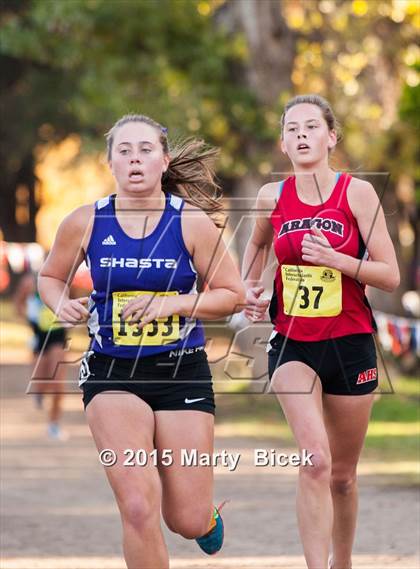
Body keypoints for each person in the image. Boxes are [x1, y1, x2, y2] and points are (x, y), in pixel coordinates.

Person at [38, 114, 245, 569]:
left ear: (164, 160)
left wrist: (171, 304)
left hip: (180, 371)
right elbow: (51, 276)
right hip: (112, 372)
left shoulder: (190, 224)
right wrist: (60, 303)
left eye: (146, 150)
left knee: (186, 520)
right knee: (136, 506)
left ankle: (204, 517)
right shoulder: (85, 221)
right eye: (125, 150)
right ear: (110, 162)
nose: (135, 159)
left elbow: (231, 296)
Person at [242, 94, 399, 569]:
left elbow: (389, 274)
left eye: (312, 126)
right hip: (293, 346)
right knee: (314, 461)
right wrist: (249, 289)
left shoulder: (357, 194)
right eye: (292, 128)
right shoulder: (272, 197)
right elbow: (254, 247)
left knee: (343, 476)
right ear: (283, 142)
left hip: (350, 344)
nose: (302, 135)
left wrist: (340, 262)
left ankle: (342, 562)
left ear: (331, 137)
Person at [14, 268, 67, 439]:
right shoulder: (28, 283)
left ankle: (54, 424)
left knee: (58, 385)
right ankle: (39, 392)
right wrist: (29, 317)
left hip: (58, 337)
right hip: (39, 336)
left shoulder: (65, 279)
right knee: (41, 382)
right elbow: (18, 304)